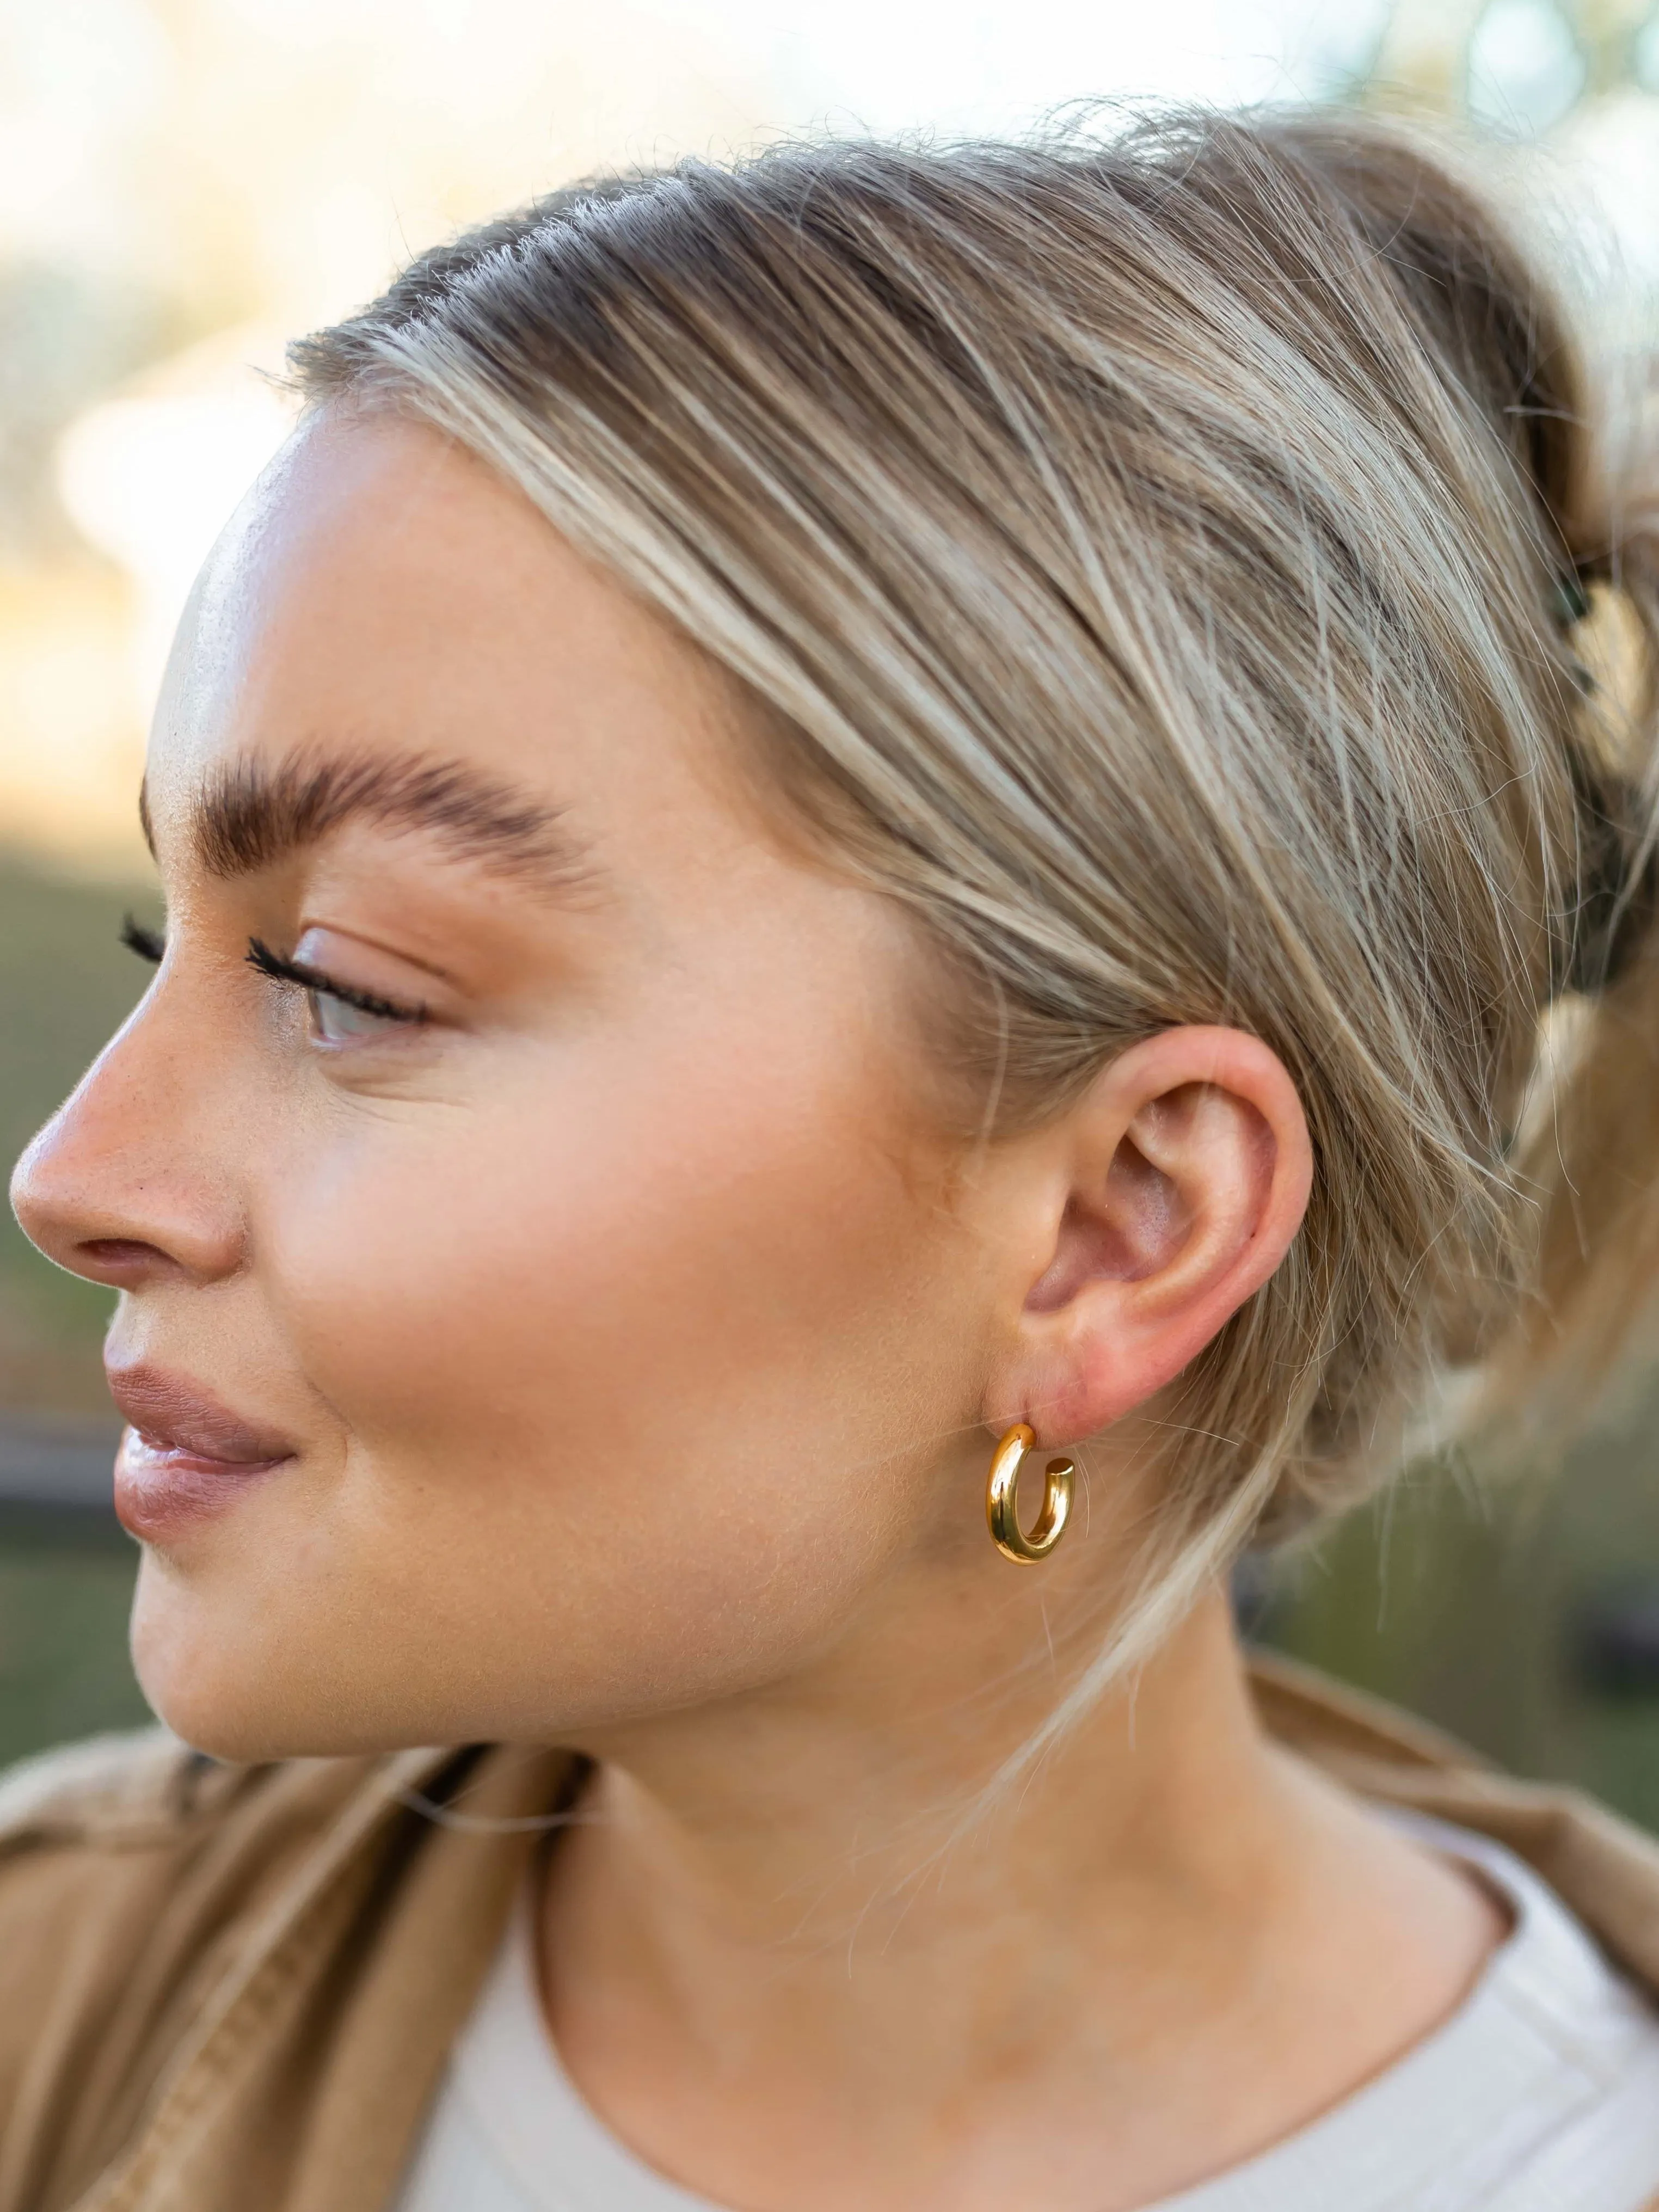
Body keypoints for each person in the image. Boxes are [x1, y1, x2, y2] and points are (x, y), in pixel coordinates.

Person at [7, 105, 1659, 2212]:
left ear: (1115, 1226)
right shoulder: (52, 2019)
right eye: (175, 942)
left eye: (349, 982)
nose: (73, 1169)